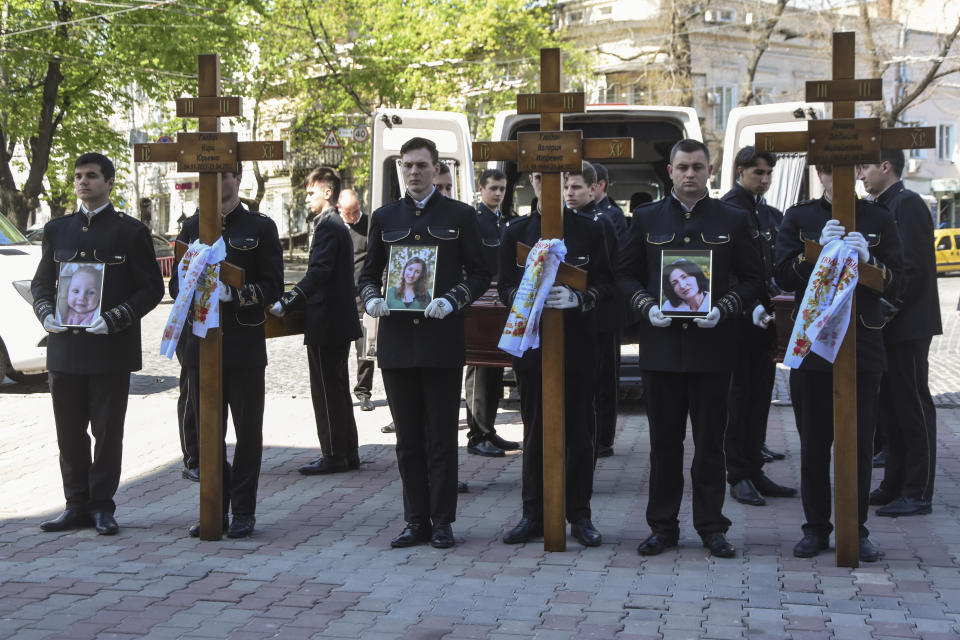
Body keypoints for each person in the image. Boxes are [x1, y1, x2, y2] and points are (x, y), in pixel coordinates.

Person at [618, 139, 763, 559]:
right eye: (683, 167)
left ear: (710, 170)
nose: (690, 174)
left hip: (712, 348)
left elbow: (754, 278)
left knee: (710, 444)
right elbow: (625, 276)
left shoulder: (732, 219)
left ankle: (712, 526)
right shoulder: (645, 218)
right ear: (670, 171)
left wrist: (726, 308)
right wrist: (646, 307)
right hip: (662, 349)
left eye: (698, 167)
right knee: (664, 445)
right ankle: (662, 527)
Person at [358, 137, 490, 549]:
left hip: (441, 340)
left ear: (436, 169)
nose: (413, 172)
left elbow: (481, 272)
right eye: (407, 165)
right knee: (408, 439)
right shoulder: (383, 217)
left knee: (440, 439)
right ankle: (415, 520)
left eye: (421, 165)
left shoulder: (460, 215)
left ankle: (443, 520)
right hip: (398, 343)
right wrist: (372, 298)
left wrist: (453, 300)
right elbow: (367, 274)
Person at [31, 152, 164, 535]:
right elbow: (42, 283)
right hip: (66, 349)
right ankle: (75, 504)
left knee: (107, 432)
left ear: (109, 182)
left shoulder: (130, 231)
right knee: (68, 432)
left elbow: (151, 289)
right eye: (78, 176)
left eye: (91, 176)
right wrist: (45, 312)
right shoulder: (58, 230)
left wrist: (116, 318)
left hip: (109, 349)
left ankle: (102, 506)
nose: (83, 182)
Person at [774, 164, 902, 562]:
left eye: (846, 169)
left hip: (861, 342)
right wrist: (815, 256)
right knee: (814, 443)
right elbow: (781, 275)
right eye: (829, 170)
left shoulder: (878, 217)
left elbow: (899, 280)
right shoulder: (800, 216)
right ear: (819, 173)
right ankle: (815, 528)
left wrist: (868, 261)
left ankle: (855, 527)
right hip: (813, 345)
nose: (837, 178)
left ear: (860, 170)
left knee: (860, 443)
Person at [498, 162, 613, 547]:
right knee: (534, 432)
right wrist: (528, 298)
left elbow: (606, 284)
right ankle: (534, 513)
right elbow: (504, 289)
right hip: (533, 350)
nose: (546, 184)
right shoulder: (516, 231)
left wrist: (580, 298)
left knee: (580, 433)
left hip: (577, 347)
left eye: (556, 178)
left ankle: (580, 515)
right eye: (537, 177)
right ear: (530, 181)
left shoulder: (589, 228)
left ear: (567, 182)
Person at [171, 163, 283, 539]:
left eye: (224, 175)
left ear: (237, 178)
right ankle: (214, 508)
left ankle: (244, 511)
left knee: (248, 433)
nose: (216, 182)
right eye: (210, 175)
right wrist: (193, 285)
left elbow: (273, 286)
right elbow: (174, 290)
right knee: (206, 435)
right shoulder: (191, 226)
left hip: (243, 344)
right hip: (202, 347)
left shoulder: (260, 227)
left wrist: (235, 294)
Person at [859, 150, 942, 517]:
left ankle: (917, 490)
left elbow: (908, 270)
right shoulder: (884, 204)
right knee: (890, 409)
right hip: (890, 323)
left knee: (912, 406)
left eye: (865, 167)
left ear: (886, 167)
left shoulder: (906, 204)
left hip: (907, 324)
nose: (860, 175)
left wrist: (886, 314)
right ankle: (893, 484)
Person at [270, 168, 362, 475]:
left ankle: (334, 454)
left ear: (327, 192)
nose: (307, 197)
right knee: (336, 387)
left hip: (327, 322)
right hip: (335, 321)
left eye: (311, 192)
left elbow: (319, 272)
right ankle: (347, 451)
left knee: (326, 390)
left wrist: (289, 299)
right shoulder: (334, 224)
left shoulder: (328, 225)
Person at [720, 146, 796, 507]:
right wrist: (746, 303)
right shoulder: (727, 211)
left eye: (768, 173)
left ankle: (754, 467)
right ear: (740, 171)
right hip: (737, 318)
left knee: (760, 396)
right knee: (738, 398)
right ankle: (737, 474)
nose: (764, 179)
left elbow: (773, 267)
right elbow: (726, 269)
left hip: (767, 318)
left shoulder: (770, 214)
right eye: (758, 173)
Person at [464, 169, 520, 458]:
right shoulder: (476, 221)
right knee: (480, 370)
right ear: (481, 189)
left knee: (495, 370)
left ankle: (488, 429)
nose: (499, 193)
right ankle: (477, 435)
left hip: (498, 302)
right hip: (481, 302)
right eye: (494, 188)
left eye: (502, 188)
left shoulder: (501, 221)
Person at [590, 163, 625, 459]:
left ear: (599, 185)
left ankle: (603, 436)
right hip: (583, 311)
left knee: (604, 377)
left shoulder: (610, 217)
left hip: (603, 309)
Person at [338, 188, 375, 412]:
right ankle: (341, 394)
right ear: (339, 209)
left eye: (356, 211)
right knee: (339, 351)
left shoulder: (370, 225)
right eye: (348, 213)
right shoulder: (334, 226)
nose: (352, 217)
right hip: (341, 298)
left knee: (366, 350)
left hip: (363, 297)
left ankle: (363, 392)